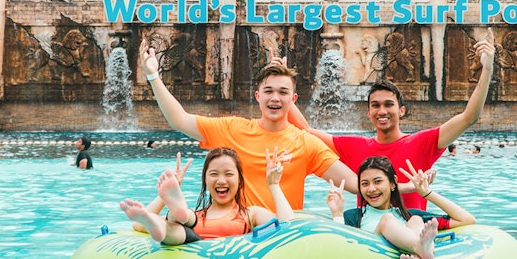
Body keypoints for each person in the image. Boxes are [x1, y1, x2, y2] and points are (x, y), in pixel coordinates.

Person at [141, 47, 358, 210]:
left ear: (293, 99)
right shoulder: (233, 129)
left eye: (283, 92)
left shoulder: (306, 143)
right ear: (258, 96)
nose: (275, 98)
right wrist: (153, 76)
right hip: (240, 236)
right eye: (269, 91)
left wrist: (391, 184)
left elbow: (355, 184)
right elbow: (179, 120)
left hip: (284, 238)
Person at [290, 39, 495, 210]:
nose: (382, 111)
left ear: (401, 110)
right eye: (375, 106)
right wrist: (281, 82)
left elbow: (470, 117)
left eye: (389, 105)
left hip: (411, 233)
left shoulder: (423, 142)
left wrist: (487, 69)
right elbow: (306, 132)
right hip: (371, 237)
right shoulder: (354, 146)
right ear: (369, 112)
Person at [326, 157, 475, 259]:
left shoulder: (407, 215)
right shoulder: (355, 216)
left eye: (378, 182)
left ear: (393, 184)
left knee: (416, 220)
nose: (371, 189)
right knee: (387, 220)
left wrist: (427, 193)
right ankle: (420, 249)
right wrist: (337, 213)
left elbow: (467, 220)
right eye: (365, 184)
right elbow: (337, 250)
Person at [120, 147, 293, 245]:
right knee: (180, 224)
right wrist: (163, 197)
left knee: (185, 226)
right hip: (188, 240)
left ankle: (169, 218)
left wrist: (274, 185)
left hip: (219, 257)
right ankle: (163, 221)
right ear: (205, 180)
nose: (221, 180)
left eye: (228, 174)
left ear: (239, 180)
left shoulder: (250, 214)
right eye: (214, 174)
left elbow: (289, 226)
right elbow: (138, 224)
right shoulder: (197, 214)